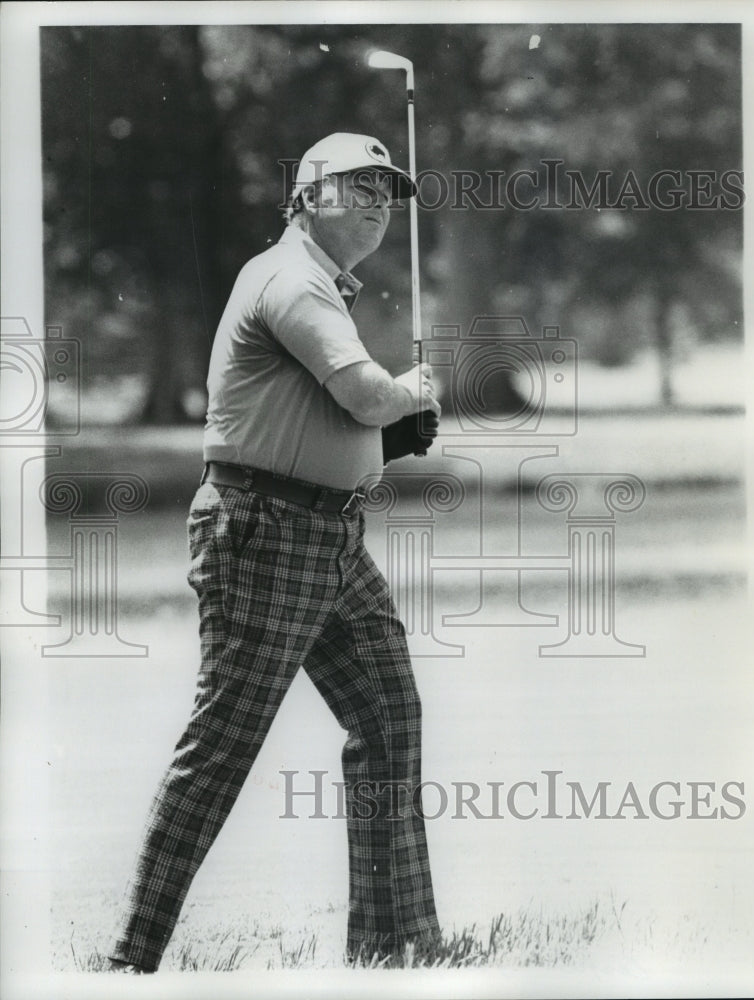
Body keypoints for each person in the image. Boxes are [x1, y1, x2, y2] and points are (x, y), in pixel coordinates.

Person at [105, 133, 442, 972]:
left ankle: (393, 948)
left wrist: (383, 439)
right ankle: (127, 961)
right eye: (358, 187)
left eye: (387, 192)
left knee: (388, 717)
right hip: (266, 534)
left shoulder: (316, 283)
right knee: (224, 745)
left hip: (326, 538)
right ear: (306, 196)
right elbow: (365, 393)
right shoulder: (292, 279)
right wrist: (408, 395)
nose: (377, 204)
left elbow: (330, 417)